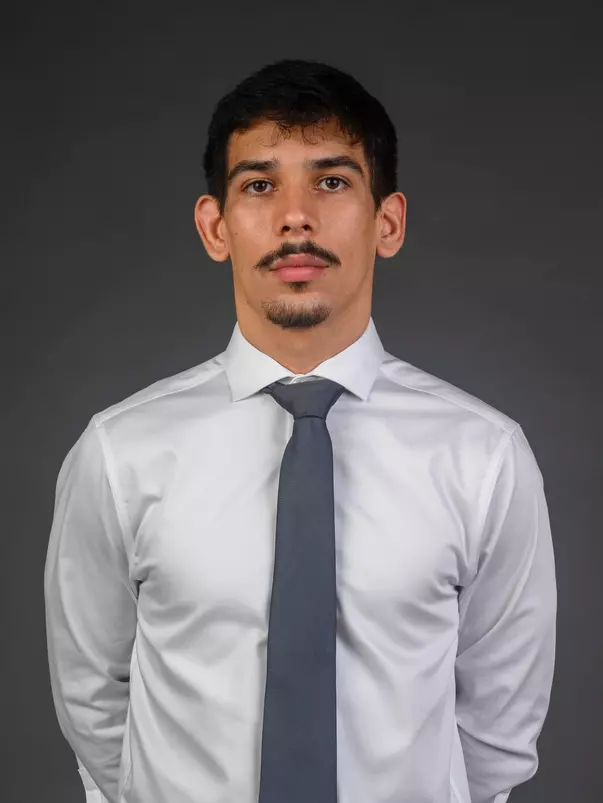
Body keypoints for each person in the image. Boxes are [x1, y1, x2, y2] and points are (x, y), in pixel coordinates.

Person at [44, 58, 557, 803]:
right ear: (214, 226)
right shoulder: (120, 452)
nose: (295, 217)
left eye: (331, 180)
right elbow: (91, 696)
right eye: (258, 184)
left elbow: (497, 728)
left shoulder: (482, 455)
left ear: (388, 222)